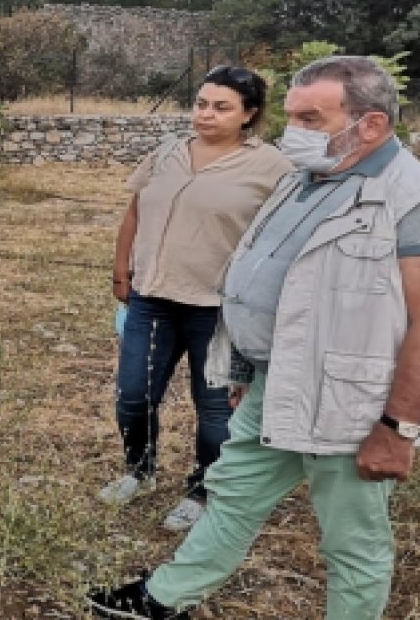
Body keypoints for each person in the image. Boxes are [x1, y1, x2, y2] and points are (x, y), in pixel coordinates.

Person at [88, 55, 420, 619]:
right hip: (275, 382)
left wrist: (398, 430)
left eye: (312, 119)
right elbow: (261, 276)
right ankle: (165, 599)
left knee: (352, 537)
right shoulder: (302, 181)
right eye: (291, 116)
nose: (293, 132)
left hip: (350, 403)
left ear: (370, 124)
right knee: (233, 493)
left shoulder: (417, 201)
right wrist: (244, 368)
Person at [104, 66, 293, 531]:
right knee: (133, 394)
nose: (206, 114)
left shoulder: (273, 168)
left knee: (213, 408)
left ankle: (202, 490)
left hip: (219, 309)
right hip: (152, 297)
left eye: (222, 107)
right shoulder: (167, 152)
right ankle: (140, 470)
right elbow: (135, 211)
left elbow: (280, 241)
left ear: (248, 114)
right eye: (202, 103)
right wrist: (121, 267)